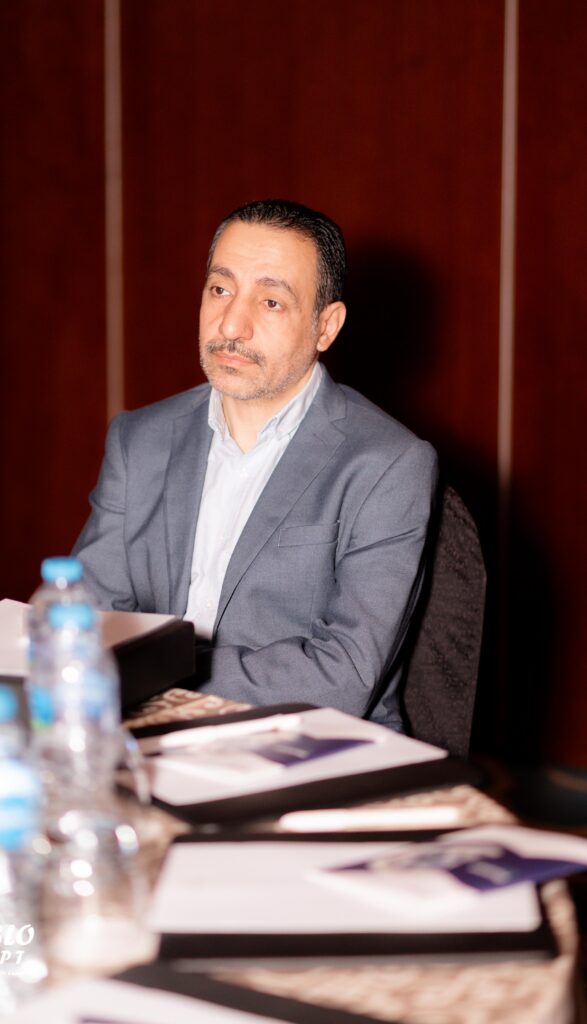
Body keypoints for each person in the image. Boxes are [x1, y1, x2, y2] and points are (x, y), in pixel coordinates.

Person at [73, 199, 437, 730]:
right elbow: (85, 617)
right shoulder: (140, 439)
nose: (232, 324)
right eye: (220, 290)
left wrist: (156, 673)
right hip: (139, 732)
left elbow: (343, 675)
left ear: (326, 326)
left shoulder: (388, 464)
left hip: (307, 745)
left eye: (270, 302)